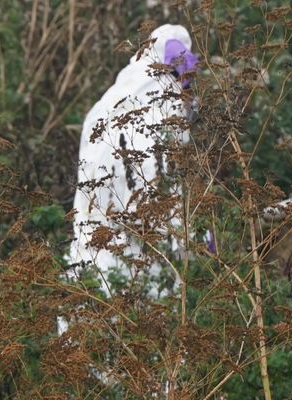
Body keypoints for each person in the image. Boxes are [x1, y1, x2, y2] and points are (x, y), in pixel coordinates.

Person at [67, 24, 199, 303]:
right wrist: (193, 242)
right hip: (132, 281)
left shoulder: (107, 108)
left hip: (88, 271)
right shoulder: (150, 123)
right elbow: (146, 213)